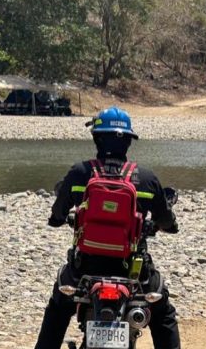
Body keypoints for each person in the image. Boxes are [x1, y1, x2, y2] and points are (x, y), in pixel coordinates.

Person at [34, 107, 181, 349]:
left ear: (96, 137)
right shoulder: (145, 178)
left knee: (58, 310)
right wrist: (168, 225)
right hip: (133, 270)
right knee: (162, 312)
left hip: (85, 268)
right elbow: (166, 220)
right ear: (128, 142)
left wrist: (58, 220)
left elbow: (58, 212)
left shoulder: (79, 173)